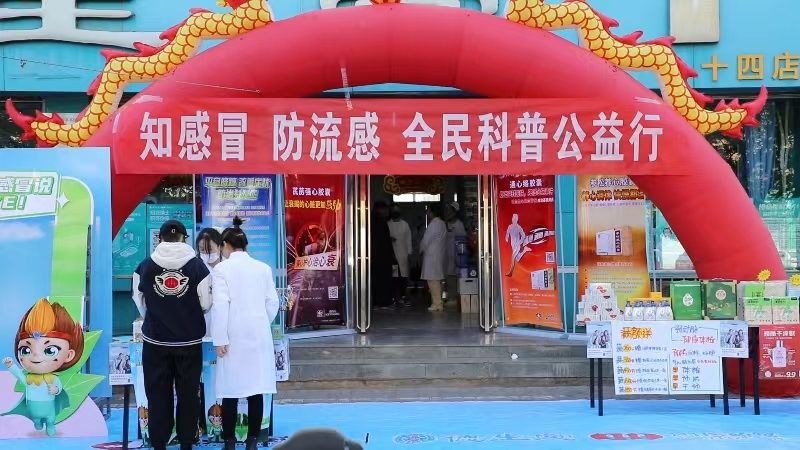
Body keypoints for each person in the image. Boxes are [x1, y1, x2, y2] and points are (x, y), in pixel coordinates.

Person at [132, 220, 212, 450]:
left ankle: (159, 443)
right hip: (189, 341)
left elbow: (138, 299)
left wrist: (155, 314)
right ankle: (186, 443)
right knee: (188, 395)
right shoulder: (198, 267)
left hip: (155, 341)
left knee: (157, 394)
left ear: (160, 239)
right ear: (184, 238)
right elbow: (206, 303)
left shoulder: (144, 266)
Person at [211, 216, 280, 450]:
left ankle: (229, 441)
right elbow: (272, 302)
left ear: (225, 246)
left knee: (230, 390)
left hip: (233, 334)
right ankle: (252, 441)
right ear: (246, 245)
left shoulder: (221, 270)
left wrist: (220, 338)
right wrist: (260, 322)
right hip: (258, 334)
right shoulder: (263, 268)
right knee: (256, 389)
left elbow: (220, 305)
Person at [420, 204, 448, 312]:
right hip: (438, 254)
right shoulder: (442, 224)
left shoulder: (434, 224)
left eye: (428, 211)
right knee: (435, 279)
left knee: (432, 280)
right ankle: (437, 302)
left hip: (432, 255)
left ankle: (437, 303)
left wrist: (420, 250)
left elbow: (425, 240)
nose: (427, 213)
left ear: (432, 212)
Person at [371, 201, 397, 310]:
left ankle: (377, 302)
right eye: (385, 209)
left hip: (374, 256)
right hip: (383, 257)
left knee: (376, 279)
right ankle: (384, 302)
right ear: (380, 210)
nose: (387, 212)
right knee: (384, 280)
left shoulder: (371, 221)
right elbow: (384, 242)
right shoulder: (381, 222)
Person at [387, 205, 413, 307]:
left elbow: (408, 240)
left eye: (397, 210)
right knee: (395, 277)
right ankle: (395, 297)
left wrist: (409, 253)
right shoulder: (388, 224)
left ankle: (403, 296)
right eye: (394, 210)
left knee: (404, 277)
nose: (396, 212)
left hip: (403, 256)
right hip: (393, 257)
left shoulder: (405, 225)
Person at [444, 202, 467, 302]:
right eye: (448, 211)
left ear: (455, 213)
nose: (448, 213)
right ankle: (450, 297)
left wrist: (459, 257)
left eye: (450, 211)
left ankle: (455, 298)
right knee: (448, 276)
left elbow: (462, 242)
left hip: (456, 255)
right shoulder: (446, 224)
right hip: (447, 255)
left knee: (455, 276)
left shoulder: (459, 225)